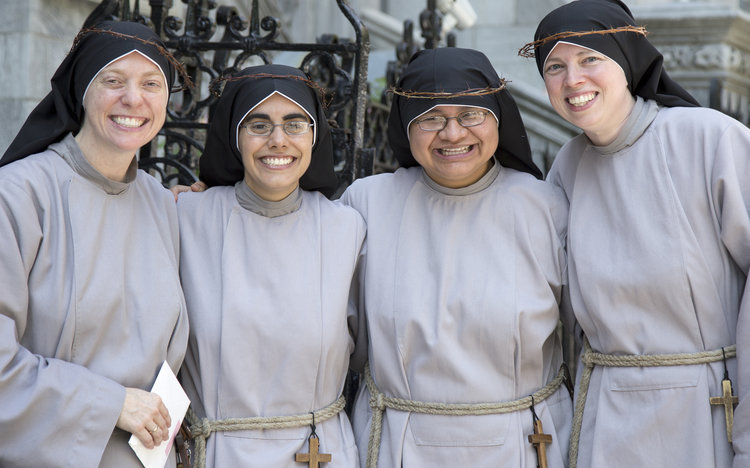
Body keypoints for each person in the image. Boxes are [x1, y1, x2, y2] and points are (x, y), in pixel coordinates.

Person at [522, 0, 750, 466]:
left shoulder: (709, 138)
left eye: (590, 60)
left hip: (705, 413)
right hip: (606, 415)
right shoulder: (566, 167)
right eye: (555, 67)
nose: (573, 81)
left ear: (626, 60)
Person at [340, 47, 572, 468]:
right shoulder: (367, 204)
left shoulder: (546, 207)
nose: (452, 133)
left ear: (497, 116)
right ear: (406, 127)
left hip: (523, 441)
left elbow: (584, 334)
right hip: (400, 443)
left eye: (470, 114)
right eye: (430, 118)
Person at [0, 21, 189, 467]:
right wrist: (111, 404)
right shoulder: (18, 195)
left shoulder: (163, 204)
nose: (133, 99)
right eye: (113, 81)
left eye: (151, 84)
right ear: (82, 90)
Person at [177, 64, 366, 467]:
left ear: (315, 136)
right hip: (216, 452)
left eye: (295, 124)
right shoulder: (184, 218)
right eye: (258, 125)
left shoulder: (346, 229)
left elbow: (369, 348)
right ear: (234, 136)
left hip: (317, 452)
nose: (278, 141)